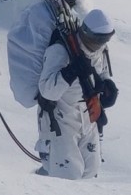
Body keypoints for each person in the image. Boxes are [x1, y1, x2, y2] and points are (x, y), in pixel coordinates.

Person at [36, 9, 118, 180]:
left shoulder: (100, 50)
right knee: (68, 176)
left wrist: (107, 85)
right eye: (98, 39)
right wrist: (70, 71)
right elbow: (47, 90)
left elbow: (101, 72)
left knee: (91, 171)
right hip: (61, 120)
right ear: (87, 34)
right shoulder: (61, 49)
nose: (101, 43)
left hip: (89, 118)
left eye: (105, 39)